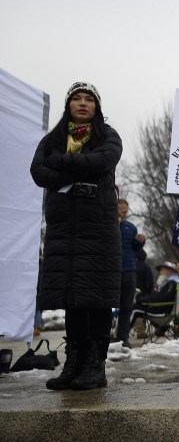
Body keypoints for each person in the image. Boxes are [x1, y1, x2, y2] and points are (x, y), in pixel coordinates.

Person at [30, 82, 122, 391]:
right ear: (68, 105)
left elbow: (102, 162)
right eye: (76, 99)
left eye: (89, 99)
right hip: (64, 229)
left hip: (97, 229)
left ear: (97, 107)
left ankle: (95, 365)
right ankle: (73, 362)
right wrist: (76, 172)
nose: (82, 104)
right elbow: (37, 171)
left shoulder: (107, 136)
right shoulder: (53, 138)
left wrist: (61, 164)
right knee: (73, 296)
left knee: (95, 297)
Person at [115, 198, 146, 348]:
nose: (123, 213)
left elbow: (136, 249)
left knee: (126, 307)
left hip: (129, 271)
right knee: (106, 306)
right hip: (111, 272)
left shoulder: (131, 227)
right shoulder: (107, 226)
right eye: (120, 210)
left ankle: (123, 337)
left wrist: (140, 241)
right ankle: (104, 336)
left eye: (125, 211)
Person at [130, 261, 179, 334]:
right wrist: (141, 300)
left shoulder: (172, 284)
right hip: (162, 310)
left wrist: (139, 300)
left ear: (169, 271)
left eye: (162, 270)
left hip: (164, 314)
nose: (160, 272)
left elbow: (159, 298)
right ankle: (162, 328)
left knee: (135, 309)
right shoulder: (171, 283)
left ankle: (122, 336)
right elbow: (158, 297)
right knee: (137, 307)